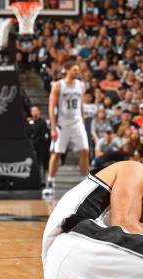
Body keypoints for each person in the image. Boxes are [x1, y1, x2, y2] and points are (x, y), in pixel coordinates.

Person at [44, 61, 90, 196]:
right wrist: (53, 127)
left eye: (78, 70)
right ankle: (50, 182)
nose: (78, 72)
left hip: (77, 122)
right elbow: (51, 107)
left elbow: (81, 103)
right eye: (75, 70)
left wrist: (82, 116)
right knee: (56, 153)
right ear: (68, 70)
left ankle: (85, 182)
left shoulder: (81, 85)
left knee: (85, 151)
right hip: (62, 123)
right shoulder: (58, 85)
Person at [26, 106, 51, 183]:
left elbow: (42, 135)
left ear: (39, 111)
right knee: (35, 164)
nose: (34, 112)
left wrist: (32, 143)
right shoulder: (30, 122)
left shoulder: (43, 122)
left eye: (36, 110)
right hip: (33, 147)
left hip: (42, 147)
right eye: (32, 111)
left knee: (43, 164)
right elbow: (28, 133)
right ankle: (35, 180)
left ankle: (43, 181)